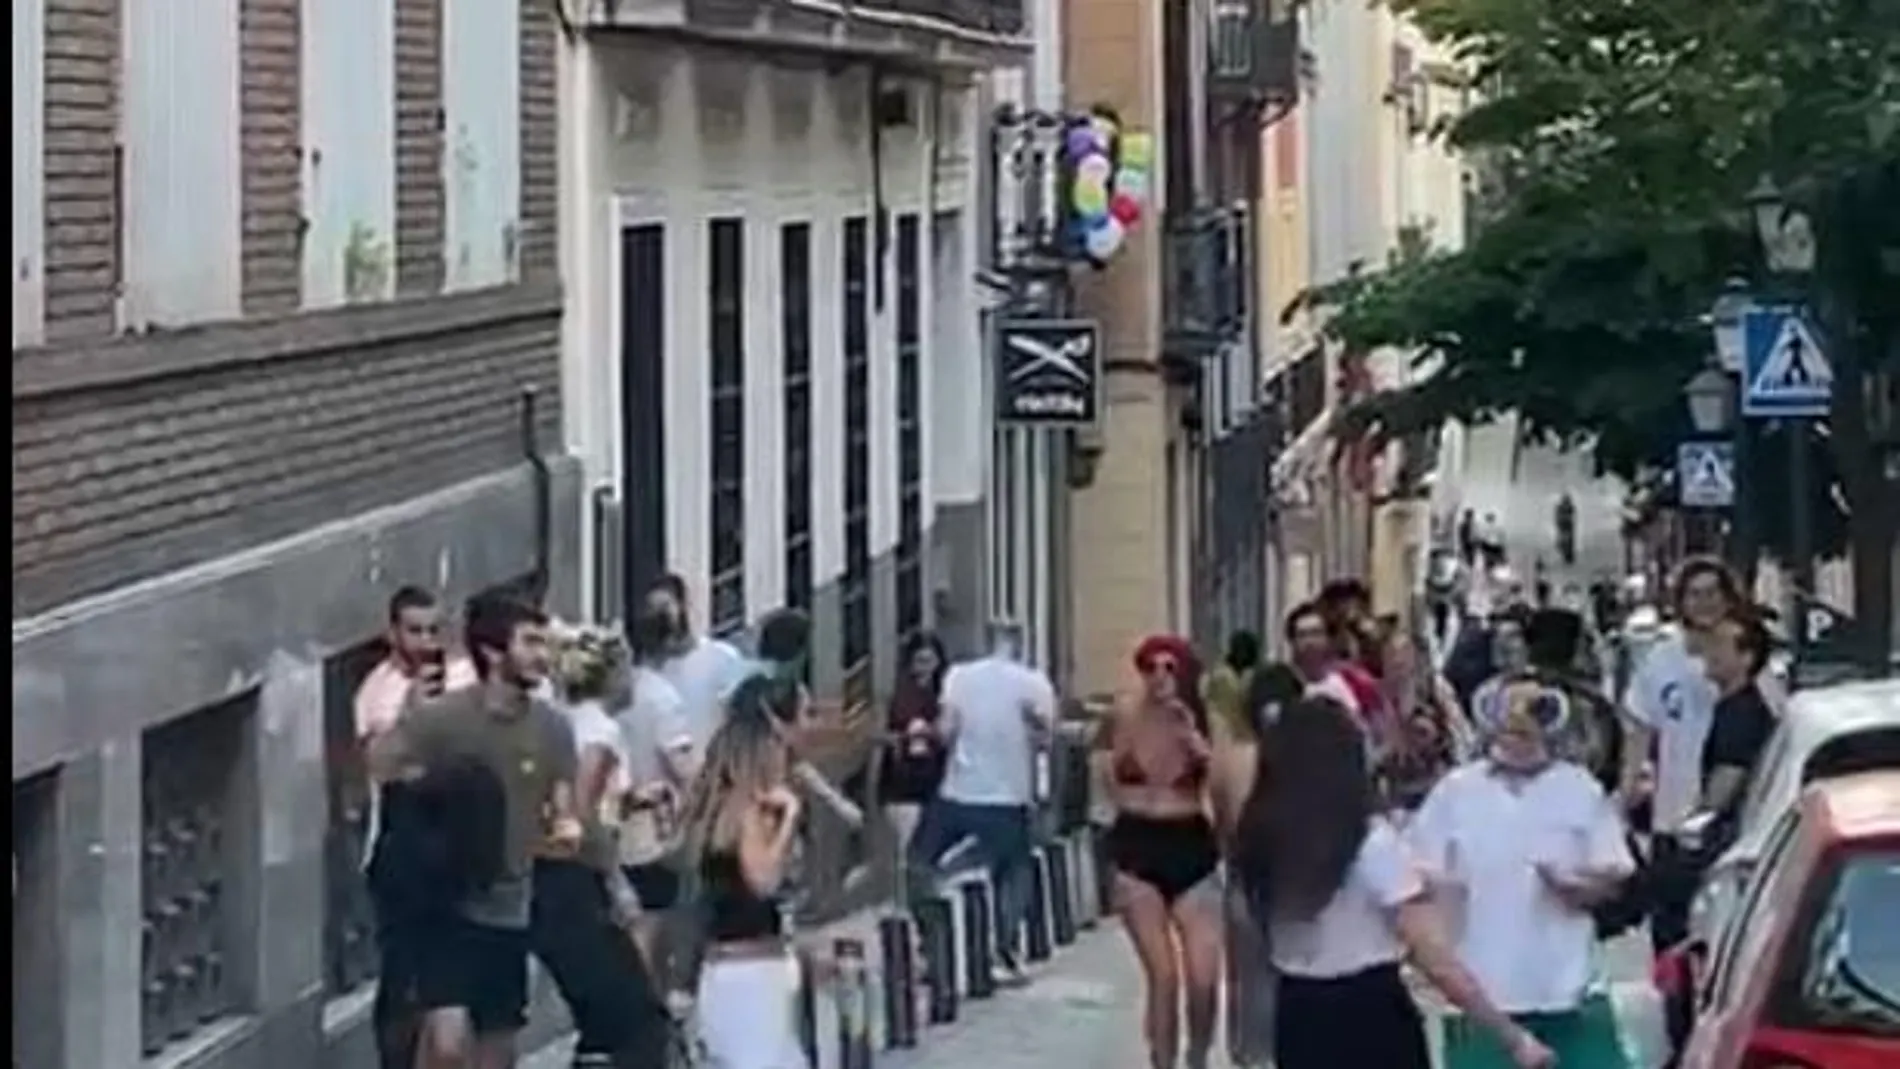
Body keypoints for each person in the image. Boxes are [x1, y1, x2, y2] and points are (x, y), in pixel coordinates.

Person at [1222, 697, 1554, 1069]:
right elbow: (1435, 959)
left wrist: (1245, 1035)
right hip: (1372, 1016)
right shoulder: (1368, 843)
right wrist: (1512, 1037)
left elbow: (1247, 946)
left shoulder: (1261, 842)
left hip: (1298, 1012)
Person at [366, 592, 584, 1069]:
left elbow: (566, 812)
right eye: (530, 642)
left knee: (496, 1050)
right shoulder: (445, 719)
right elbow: (382, 764)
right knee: (446, 1046)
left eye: (544, 643)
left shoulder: (552, 729)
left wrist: (563, 832)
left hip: (509, 909)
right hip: (448, 906)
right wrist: (428, 790)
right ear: (492, 651)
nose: (542, 655)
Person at [1413, 681, 1636, 1068]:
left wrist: (1577, 887)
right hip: (1481, 994)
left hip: (1566, 985)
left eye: (1529, 727)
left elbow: (1615, 874)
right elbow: (1420, 873)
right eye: (1509, 726)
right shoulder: (1456, 792)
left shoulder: (1580, 789)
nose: (1517, 737)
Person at [535, 623, 671, 1069]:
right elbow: (582, 812)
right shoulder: (600, 731)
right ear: (613, 674)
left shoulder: (564, 722)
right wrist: (617, 884)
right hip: (578, 883)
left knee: (612, 1015)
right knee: (633, 1019)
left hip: (563, 881)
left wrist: (633, 799)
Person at [355, 586, 480, 1068]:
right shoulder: (377, 691)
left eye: (434, 629)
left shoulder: (466, 678)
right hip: (401, 850)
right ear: (393, 633)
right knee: (402, 981)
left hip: (461, 842)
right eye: (415, 630)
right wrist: (410, 715)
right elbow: (382, 767)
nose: (426, 641)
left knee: (458, 986)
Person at [678, 674, 818, 1069]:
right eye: (805, 713)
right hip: (754, 977)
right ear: (777, 727)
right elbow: (762, 880)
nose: (810, 724)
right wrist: (791, 816)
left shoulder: (721, 805)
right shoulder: (757, 808)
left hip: (726, 971)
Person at [907, 621, 1056, 985]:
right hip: (1009, 797)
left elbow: (946, 730)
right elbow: (1044, 739)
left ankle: (932, 941)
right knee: (1011, 872)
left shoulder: (959, 677)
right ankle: (1003, 951)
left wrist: (922, 734)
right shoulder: (1034, 684)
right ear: (1019, 645)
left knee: (918, 861)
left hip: (958, 792)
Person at [1101, 635, 1224, 1069]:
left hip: (1190, 840)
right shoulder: (1123, 714)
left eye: (1170, 668)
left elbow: (1224, 779)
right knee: (1163, 976)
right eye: (1151, 667)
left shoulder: (1202, 719)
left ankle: (1197, 1055)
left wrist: (1195, 742)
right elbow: (1105, 777)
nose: (1159, 677)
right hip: (1138, 843)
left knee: (1204, 976)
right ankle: (1163, 1062)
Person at [1619, 557, 1745, 951]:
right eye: (1694, 594)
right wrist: (1628, 788)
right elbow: (1640, 725)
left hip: (1734, 820)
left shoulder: (1746, 651)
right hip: (1673, 817)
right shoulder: (1663, 657)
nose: (1704, 603)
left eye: (1713, 593)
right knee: (1671, 932)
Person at [1212, 665, 1307, 1069]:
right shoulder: (1309, 759)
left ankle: (1251, 1058)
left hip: (1246, 878)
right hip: (1300, 880)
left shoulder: (1233, 758)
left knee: (1249, 983)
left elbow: (1222, 825)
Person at [618, 606, 699, 994]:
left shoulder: (616, 691)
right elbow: (679, 761)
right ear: (667, 643)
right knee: (653, 922)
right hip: (654, 828)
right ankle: (647, 1005)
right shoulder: (662, 697)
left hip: (615, 816)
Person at [1371, 619, 1473, 812]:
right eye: (1391, 654)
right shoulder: (1375, 697)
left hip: (1435, 792)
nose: (1397, 661)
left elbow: (1462, 739)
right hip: (1393, 796)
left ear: (1416, 658)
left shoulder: (1436, 691)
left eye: (1404, 654)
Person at [644, 574, 752, 749]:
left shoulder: (722, 658)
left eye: (665, 607)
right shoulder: (648, 676)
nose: (660, 618)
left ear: (683, 606)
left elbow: (744, 722)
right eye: (652, 610)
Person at [1697, 610, 1778, 838]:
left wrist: (1698, 821)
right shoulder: (1731, 707)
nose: (1709, 653)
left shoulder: (1742, 715)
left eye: (1719, 645)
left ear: (1747, 657)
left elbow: (1726, 783)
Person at [884, 630, 950, 849]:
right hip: (906, 782)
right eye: (920, 661)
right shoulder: (901, 695)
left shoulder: (947, 694)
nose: (925, 668)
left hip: (940, 780)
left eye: (930, 661)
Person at [1284, 601, 1379, 726]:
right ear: (1292, 641)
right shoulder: (1282, 685)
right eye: (1302, 635)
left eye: (1315, 633)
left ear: (1328, 639)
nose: (1309, 642)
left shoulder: (1351, 683)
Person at [1203, 630, 1263, 750]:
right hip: (1226, 739)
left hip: (1249, 740)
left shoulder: (1256, 676)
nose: (1243, 654)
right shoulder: (1221, 677)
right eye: (1239, 650)